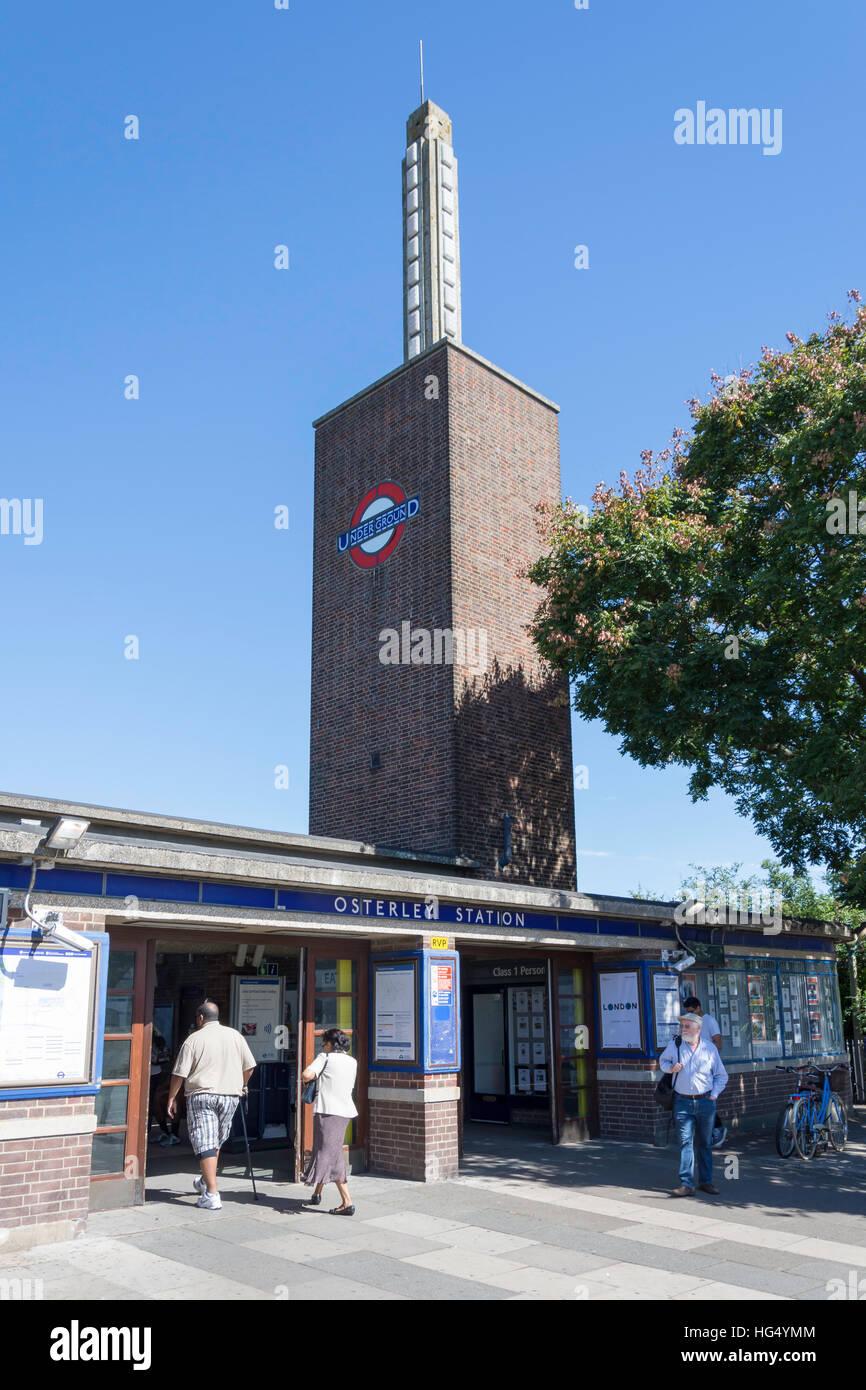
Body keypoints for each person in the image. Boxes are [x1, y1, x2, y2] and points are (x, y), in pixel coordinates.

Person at [166, 999, 256, 1211]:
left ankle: (211, 1194)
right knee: (214, 1140)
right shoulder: (235, 1036)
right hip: (230, 1096)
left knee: (205, 1142)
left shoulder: (194, 1039)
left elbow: (179, 1073)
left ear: (200, 1018)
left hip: (202, 1095)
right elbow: (250, 1066)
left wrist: (172, 1097)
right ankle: (206, 1181)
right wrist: (243, 1084)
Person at [659, 1011, 728, 1197]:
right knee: (685, 1143)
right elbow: (662, 1062)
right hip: (682, 1102)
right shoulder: (675, 1045)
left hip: (705, 1101)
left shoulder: (709, 1049)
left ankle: (706, 1181)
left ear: (698, 1028)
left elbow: (721, 1075)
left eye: (687, 1026)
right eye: (682, 1026)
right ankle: (686, 1183)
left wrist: (713, 1095)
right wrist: (670, 1068)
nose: (683, 1029)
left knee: (705, 1143)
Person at [301, 1028, 358, 1215]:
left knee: (330, 1154)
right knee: (328, 1150)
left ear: (331, 1044)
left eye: (324, 1043)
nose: (322, 1047)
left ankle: (347, 1202)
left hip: (327, 1111)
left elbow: (307, 1075)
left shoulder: (325, 1058)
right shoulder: (352, 1061)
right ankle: (317, 1193)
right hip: (345, 1111)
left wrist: (312, 1076)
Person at [683, 995, 728, 1148]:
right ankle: (710, 1132)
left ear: (698, 1008)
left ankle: (717, 1129)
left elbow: (718, 1043)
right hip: (693, 1069)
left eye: (691, 1011)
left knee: (706, 1100)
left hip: (706, 1068)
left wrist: (707, 1055)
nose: (690, 1015)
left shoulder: (709, 1021)